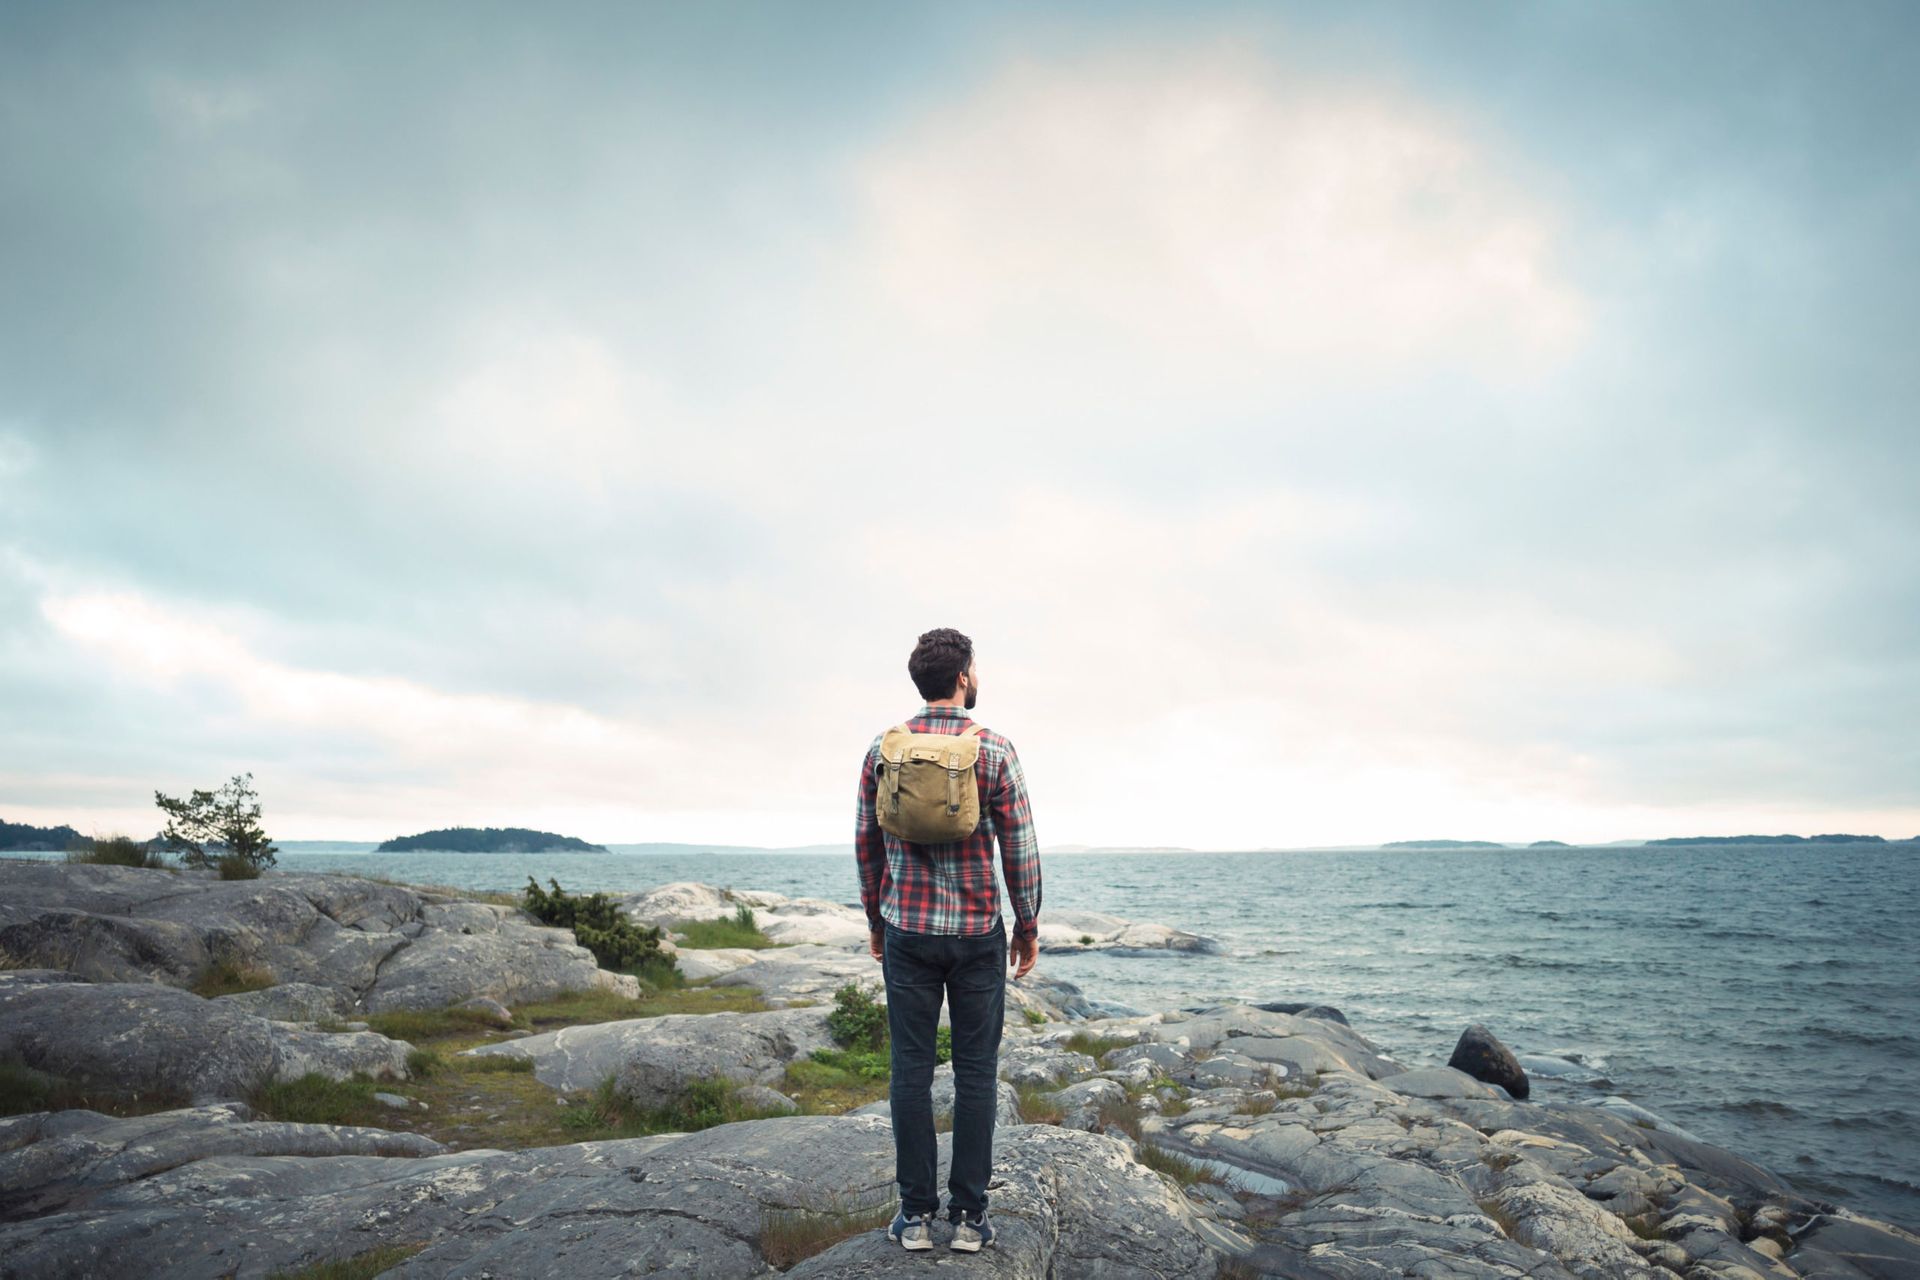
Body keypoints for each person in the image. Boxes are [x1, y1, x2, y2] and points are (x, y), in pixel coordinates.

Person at [855, 627, 1041, 1253]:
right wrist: (1028, 924)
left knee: (910, 1071)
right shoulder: (993, 749)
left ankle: (914, 1217)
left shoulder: (885, 750)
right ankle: (967, 1218)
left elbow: (866, 843)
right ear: (963, 678)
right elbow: (1019, 848)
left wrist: (877, 922)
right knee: (975, 1072)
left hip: (907, 932)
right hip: (975, 935)